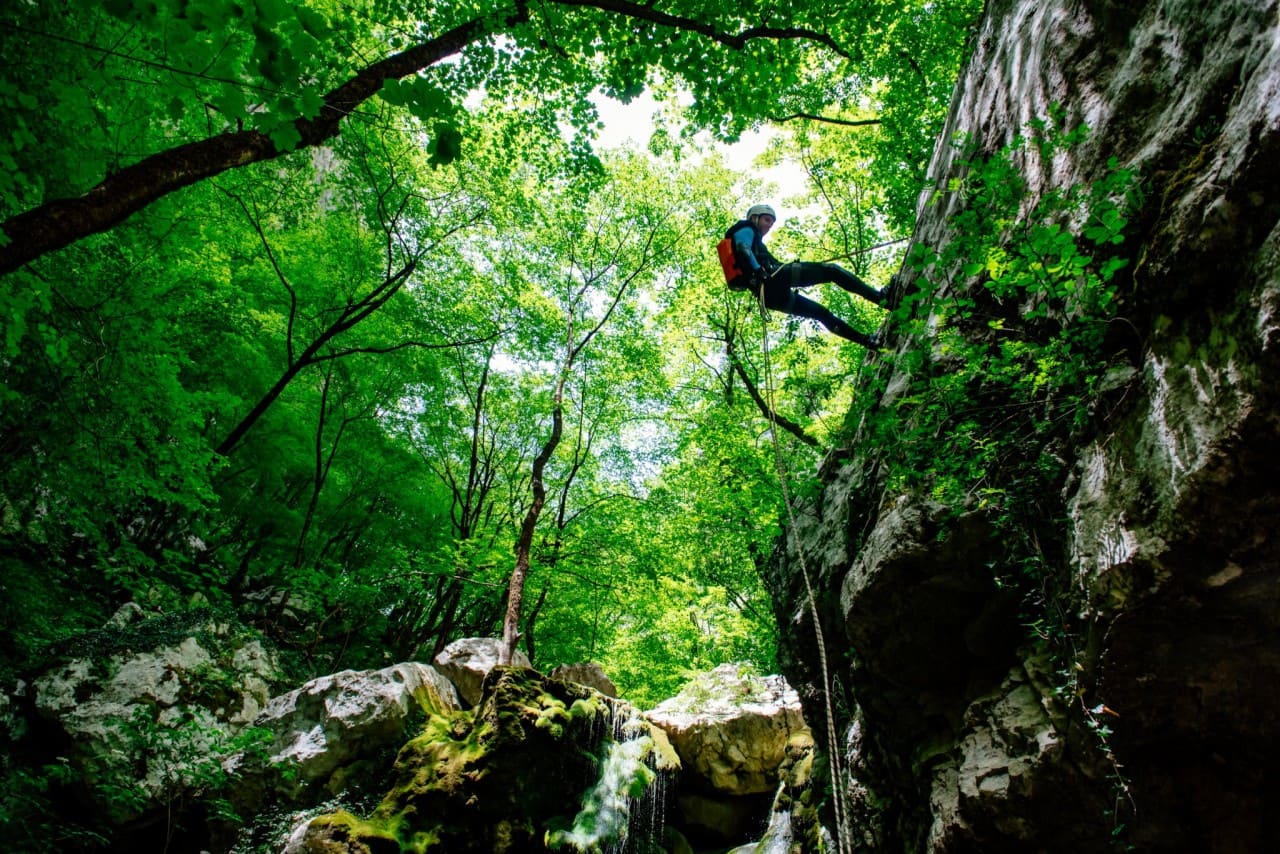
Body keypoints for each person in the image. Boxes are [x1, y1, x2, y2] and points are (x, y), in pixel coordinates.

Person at [719, 204, 889, 349]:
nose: (770, 225)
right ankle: (881, 298)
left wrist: (760, 272)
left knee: (821, 313)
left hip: (769, 297)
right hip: (773, 279)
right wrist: (759, 271)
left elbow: (747, 254)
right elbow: (743, 249)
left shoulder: (756, 244)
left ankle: (869, 342)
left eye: (772, 222)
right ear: (754, 218)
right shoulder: (746, 228)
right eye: (767, 220)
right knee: (831, 271)